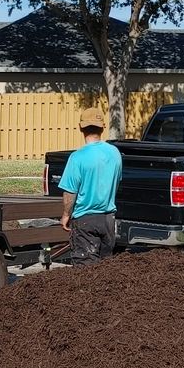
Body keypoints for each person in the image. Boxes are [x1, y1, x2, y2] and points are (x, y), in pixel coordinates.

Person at [58, 107, 122, 265]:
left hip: (85, 220)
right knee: (105, 267)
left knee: (85, 270)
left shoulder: (77, 157)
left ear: (81, 127)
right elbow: (116, 182)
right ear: (103, 127)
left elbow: (70, 192)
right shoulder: (115, 153)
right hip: (108, 219)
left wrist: (66, 215)